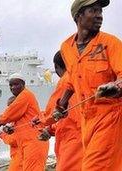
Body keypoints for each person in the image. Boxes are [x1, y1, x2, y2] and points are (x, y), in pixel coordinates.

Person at [53, 0, 122, 170]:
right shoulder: (66, 47)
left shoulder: (111, 43)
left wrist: (116, 86)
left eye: (100, 11)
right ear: (78, 16)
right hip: (87, 120)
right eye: (93, 10)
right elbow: (71, 79)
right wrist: (61, 105)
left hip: (110, 117)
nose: (99, 15)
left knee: (94, 167)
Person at [36, 51, 83, 171]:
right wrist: (50, 130)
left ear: (56, 67)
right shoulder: (82, 77)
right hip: (84, 135)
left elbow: (52, 112)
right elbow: (71, 116)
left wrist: (39, 120)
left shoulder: (66, 80)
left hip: (73, 139)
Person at [0, 73, 49, 171]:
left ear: (24, 84)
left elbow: (10, 113)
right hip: (27, 144)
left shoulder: (25, 95)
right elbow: (13, 115)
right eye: (11, 85)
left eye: (16, 84)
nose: (13, 87)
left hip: (34, 142)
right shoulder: (23, 99)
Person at [0, 96, 22, 171]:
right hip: (18, 155)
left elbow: (13, 141)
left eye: (10, 107)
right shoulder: (17, 119)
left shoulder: (19, 121)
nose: (8, 109)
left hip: (20, 157)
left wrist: (1, 134)